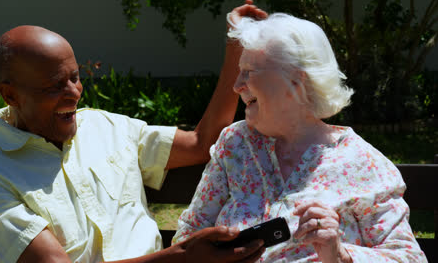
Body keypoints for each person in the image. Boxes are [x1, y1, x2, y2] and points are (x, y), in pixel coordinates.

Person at [0, 1, 269, 263]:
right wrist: (183, 257)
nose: (73, 93)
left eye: (75, 77)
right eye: (54, 86)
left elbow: (202, 143)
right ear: (10, 95)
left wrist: (235, 48)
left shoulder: (107, 127)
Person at [172, 13, 428, 262]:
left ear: (296, 80)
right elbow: (190, 233)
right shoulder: (235, 143)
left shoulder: (362, 162)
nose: (237, 85)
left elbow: (409, 257)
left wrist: (340, 255)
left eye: (249, 71)